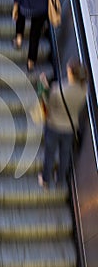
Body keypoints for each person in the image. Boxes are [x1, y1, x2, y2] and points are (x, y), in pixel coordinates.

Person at [38, 57, 88, 189]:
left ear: (71, 73)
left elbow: (47, 103)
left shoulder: (58, 89)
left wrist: (43, 85)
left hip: (54, 126)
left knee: (50, 153)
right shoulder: (84, 90)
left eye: (68, 70)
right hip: (70, 128)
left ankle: (45, 179)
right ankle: (60, 179)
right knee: (65, 154)